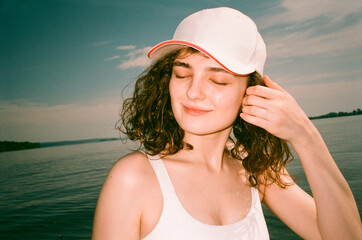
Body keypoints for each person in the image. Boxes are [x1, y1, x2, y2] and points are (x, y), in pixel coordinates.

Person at [92, 7, 361, 240]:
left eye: (218, 80)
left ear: (252, 91)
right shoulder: (133, 178)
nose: (193, 92)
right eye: (182, 74)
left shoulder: (256, 169)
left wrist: (306, 136)